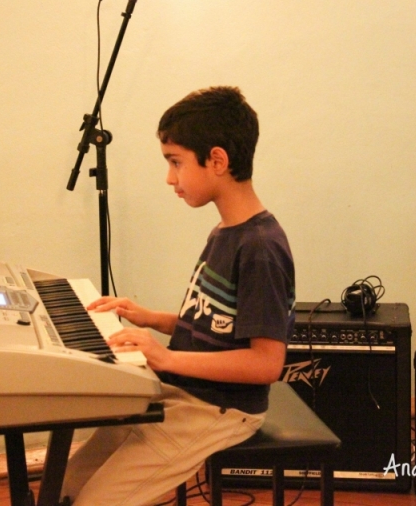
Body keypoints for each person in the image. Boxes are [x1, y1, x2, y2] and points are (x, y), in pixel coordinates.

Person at [60, 86, 295, 506]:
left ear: (217, 160)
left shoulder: (261, 248)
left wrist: (164, 357)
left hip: (219, 409)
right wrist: (150, 317)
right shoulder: (225, 231)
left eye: (175, 162)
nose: (170, 178)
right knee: (66, 482)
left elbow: (266, 363)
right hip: (183, 390)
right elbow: (215, 328)